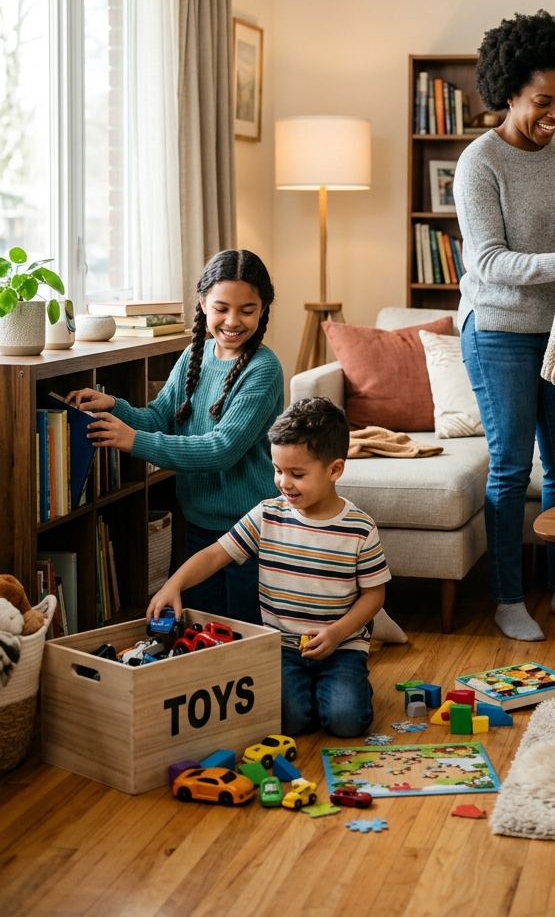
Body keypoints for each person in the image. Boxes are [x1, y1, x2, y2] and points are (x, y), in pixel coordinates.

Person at [455, 9, 555, 642]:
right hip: (497, 331)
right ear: (509, 93)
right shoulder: (479, 163)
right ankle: (507, 597)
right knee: (511, 469)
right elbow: (486, 262)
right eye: (541, 104)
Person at [148, 398, 389, 738]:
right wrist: (173, 584)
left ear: (334, 470)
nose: (283, 482)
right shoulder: (266, 514)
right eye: (277, 470)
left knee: (347, 722)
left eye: (297, 474)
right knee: (287, 722)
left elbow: (374, 595)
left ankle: (340, 690)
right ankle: (316, 695)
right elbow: (216, 554)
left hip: (342, 647)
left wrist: (337, 633)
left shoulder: (360, 528)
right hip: (282, 646)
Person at [67, 249, 283, 625]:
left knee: (245, 640)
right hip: (198, 524)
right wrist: (114, 405)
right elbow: (158, 417)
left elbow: (221, 450)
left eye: (247, 310)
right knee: (200, 631)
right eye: (221, 308)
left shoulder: (264, 369)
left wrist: (133, 441)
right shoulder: (192, 356)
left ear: (264, 308)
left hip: (250, 532)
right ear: (202, 303)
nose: (233, 321)